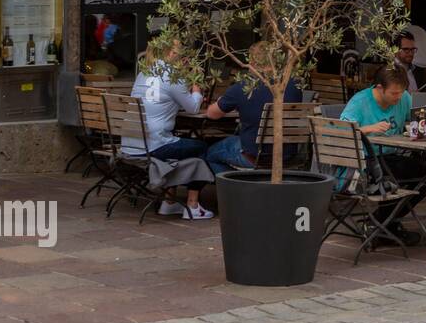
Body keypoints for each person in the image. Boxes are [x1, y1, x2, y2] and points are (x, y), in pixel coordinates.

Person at [126, 41, 213, 220]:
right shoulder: (172, 75)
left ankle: (169, 202)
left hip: (131, 144)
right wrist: (196, 87)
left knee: (178, 143)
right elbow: (193, 108)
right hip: (154, 146)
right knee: (202, 147)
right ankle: (193, 206)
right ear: (171, 54)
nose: (182, 56)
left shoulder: (143, 73)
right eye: (179, 52)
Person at [341, 66, 426, 243]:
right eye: (394, 93)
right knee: (407, 175)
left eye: (401, 93)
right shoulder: (360, 102)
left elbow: (418, 119)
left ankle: (381, 224)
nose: (399, 97)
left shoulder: (403, 98)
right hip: (365, 162)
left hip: (391, 157)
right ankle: (386, 225)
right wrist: (368, 129)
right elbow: (341, 132)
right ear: (379, 88)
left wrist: (414, 127)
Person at [203, 42, 303, 175]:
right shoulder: (294, 85)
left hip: (254, 156)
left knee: (210, 153)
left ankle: (238, 187)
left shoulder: (243, 87)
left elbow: (212, 114)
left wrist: (223, 100)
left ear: (252, 61)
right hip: (287, 155)